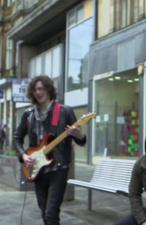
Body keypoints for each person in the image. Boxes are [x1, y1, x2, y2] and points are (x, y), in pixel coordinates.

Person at [14, 75, 86, 225]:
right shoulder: (29, 114)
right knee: (44, 212)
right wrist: (24, 156)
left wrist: (79, 135)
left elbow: (80, 141)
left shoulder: (64, 111)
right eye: (34, 90)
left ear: (48, 89)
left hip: (58, 168)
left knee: (51, 212)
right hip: (38, 169)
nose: (38, 92)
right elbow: (17, 138)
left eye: (41, 88)